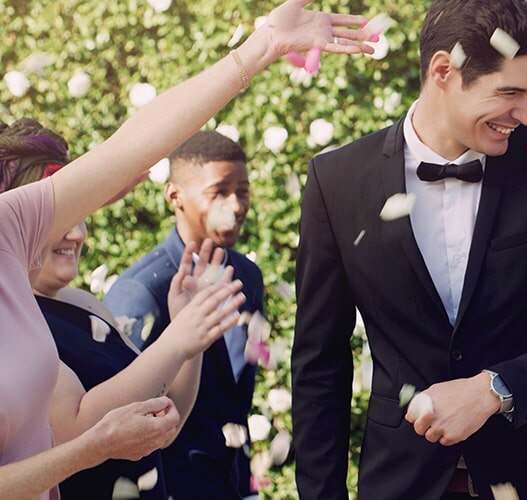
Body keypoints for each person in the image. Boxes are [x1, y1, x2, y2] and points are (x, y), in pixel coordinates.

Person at [0, 2, 372, 497]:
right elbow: (76, 430)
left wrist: (262, 47)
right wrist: (91, 447)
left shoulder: (11, 229)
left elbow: (133, 144)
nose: (74, 228)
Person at [291, 1, 527, 498]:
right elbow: (320, 363)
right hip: (400, 484)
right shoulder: (336, 181)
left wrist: (497, 388)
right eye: (510, 93)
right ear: (444, 71)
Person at [5, 120, 241, 500]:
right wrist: (176, 343)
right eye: (60, 221)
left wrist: (189, 341)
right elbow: (75, 431)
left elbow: (163, 422)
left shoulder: (83, 303)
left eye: (78, 217)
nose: (77, 234)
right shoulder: (16, 320)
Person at [105, 131, 264, 499]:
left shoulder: (247, 275)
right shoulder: (143, 289)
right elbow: (120, 416)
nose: (237, 205)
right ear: (175, 196)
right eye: (219, 192)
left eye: (243, 190)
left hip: (235, 485)